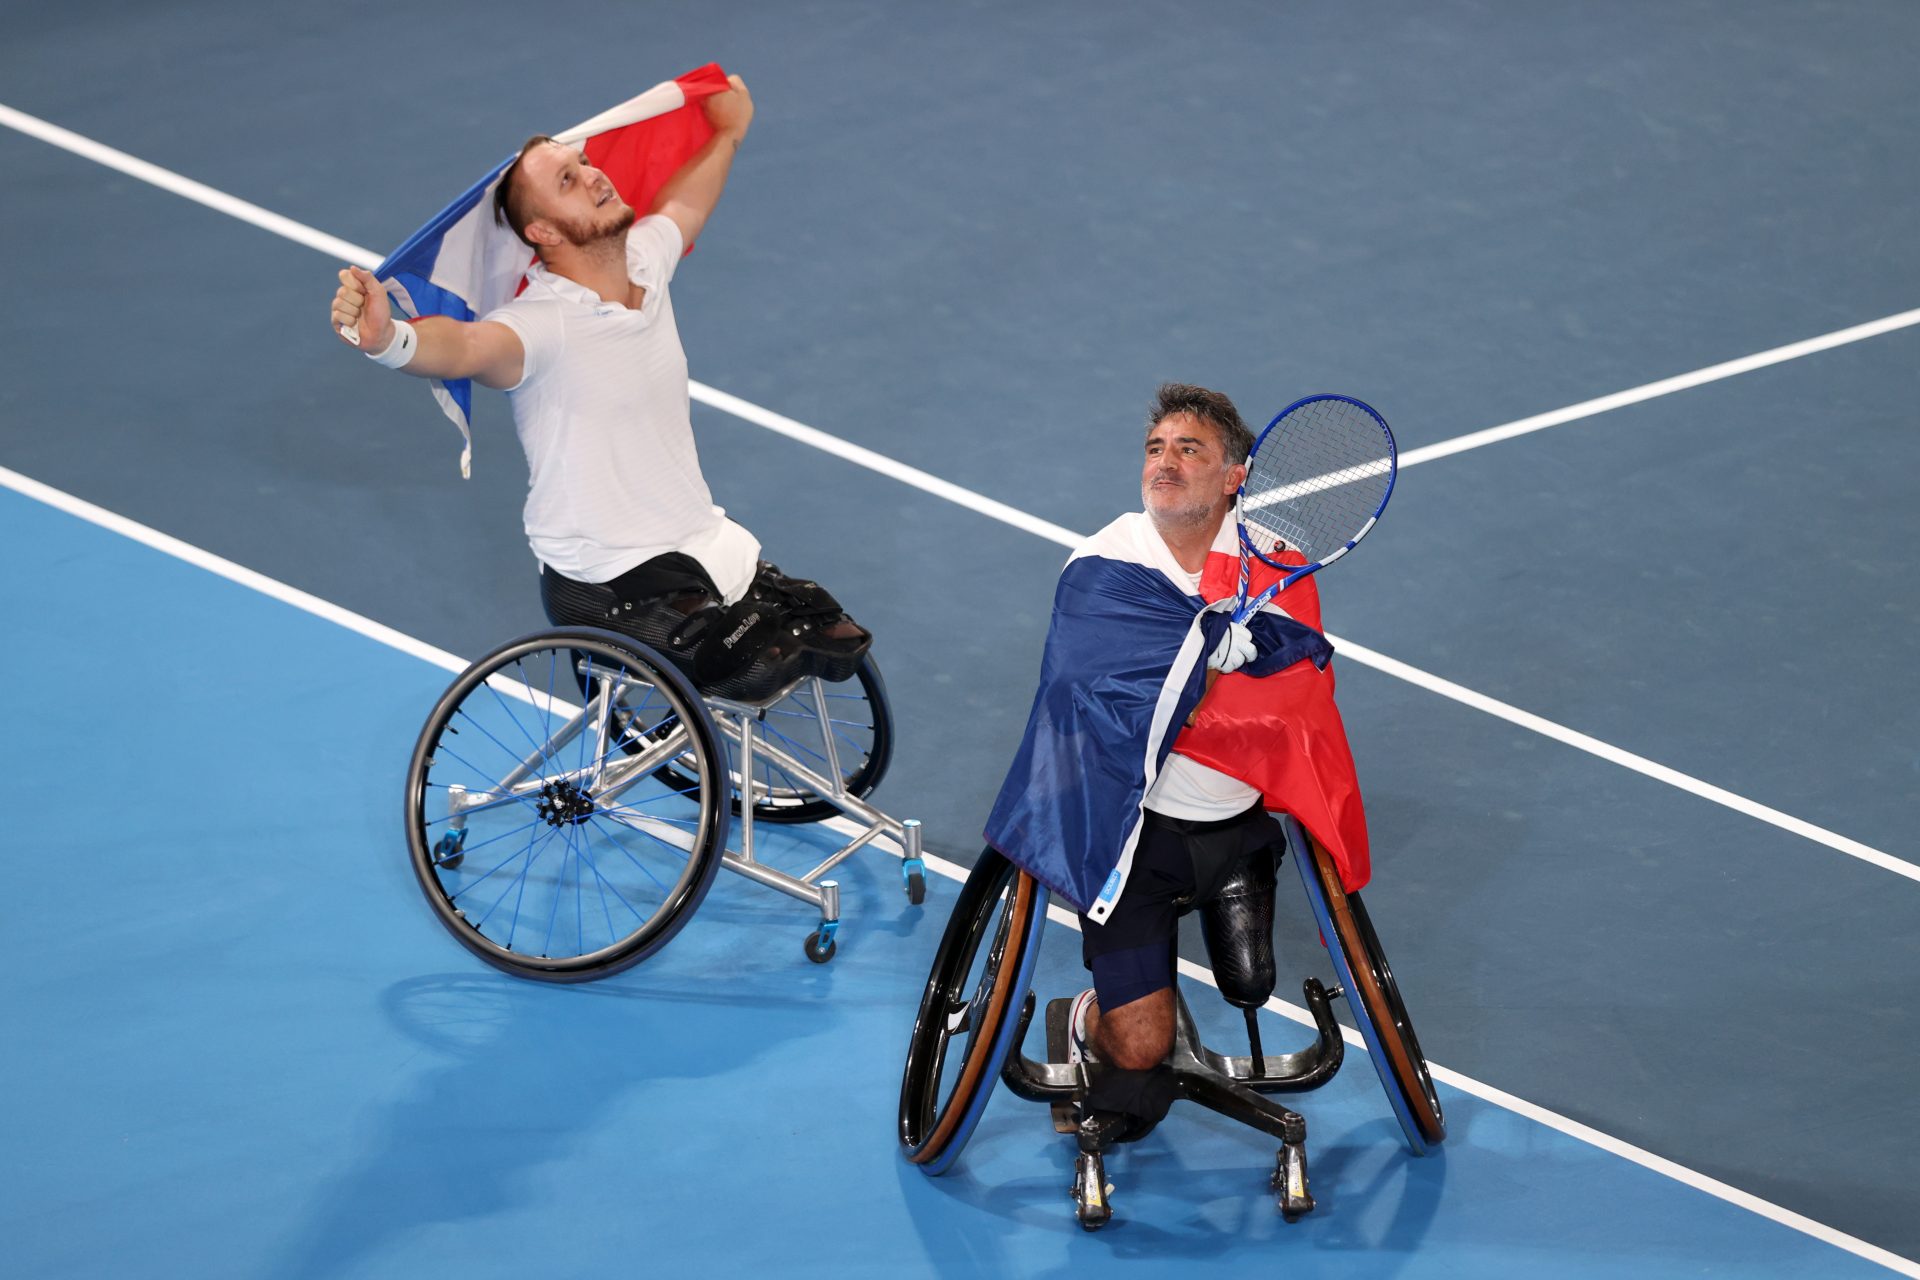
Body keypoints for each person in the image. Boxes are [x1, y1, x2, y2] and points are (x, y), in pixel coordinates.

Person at [328, 74, 869, 699]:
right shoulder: (539, 325)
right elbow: (466, 346)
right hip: (608, 578)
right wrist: (386, 338)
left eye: (583, 162)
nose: (593, 175)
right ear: (544, 234)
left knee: (828, 630)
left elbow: (684, 207)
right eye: (567, 180)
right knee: (756, 662)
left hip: (691, 543)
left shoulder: (644, 261)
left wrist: (728, 131)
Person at [983, 382, 1367, 1136]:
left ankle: (1238, 888)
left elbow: (1298, 693)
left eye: (1189, 450)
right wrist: (1213, 655)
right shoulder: (1103, 562)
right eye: (1156, 449)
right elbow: (1084, 683)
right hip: (1130, 839)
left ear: (1234, 478)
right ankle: (1090, 1014)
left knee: (1252, 983)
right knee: (1139, 1051)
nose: (1166, 462)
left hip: (1234, 826)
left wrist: (1196, 677)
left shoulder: (1274, 562)